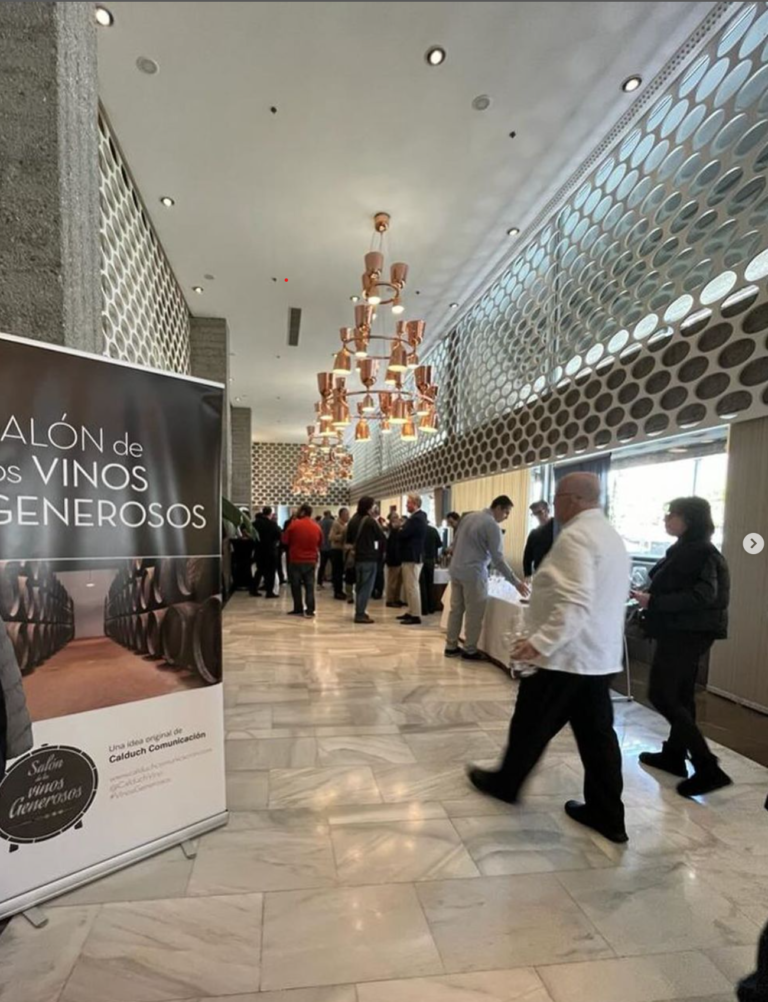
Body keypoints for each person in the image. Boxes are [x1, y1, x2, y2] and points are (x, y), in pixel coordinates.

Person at [467, 473, 630, 844]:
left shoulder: (576, 537)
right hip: (596, 657)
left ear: (571, 499)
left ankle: (506, 783)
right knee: (597, 739)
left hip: (565, 657)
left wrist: (540, 642)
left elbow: (574, 601)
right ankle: (608, 815)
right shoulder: (608, 534)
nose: (553, 505)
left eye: (555, 498)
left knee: (530, 723)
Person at [631, 496, 732, 798]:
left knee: (662, 694)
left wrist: (654, 602)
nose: (666, 519)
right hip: (683, 630)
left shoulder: (701, 552)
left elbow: (703, 596)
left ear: (690, 519)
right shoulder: (687, 550)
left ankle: (707, 767)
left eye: (672, 514)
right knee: (682, 695)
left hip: (688, 632)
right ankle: (674, 755)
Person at [445, 495, 529, 660]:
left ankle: (451, 646)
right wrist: (516, 582)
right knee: (474, 614)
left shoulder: (468, 517)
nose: (507, 517)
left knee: (455, 611)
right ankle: (469, 650)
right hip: (474, 573)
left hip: (456, 570)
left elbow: (454, 543)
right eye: (506, 512)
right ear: (498, 508)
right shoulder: (492, 525)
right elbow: (498, 559)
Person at [345, 496, 386, 624]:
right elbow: (381, 537)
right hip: (369, 557)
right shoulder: (370, 521)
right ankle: (360, 613)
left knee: (359, 586)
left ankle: (360, 610)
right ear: (369, 507)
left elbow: (349, 539)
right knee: (366, 587)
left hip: (357, 557)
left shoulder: (352, 520)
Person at [283, 503, 324, 617]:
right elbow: (320, 543)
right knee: (309, 586)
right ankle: (310, 610)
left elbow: (285, 540)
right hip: (311, 560)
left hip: (296, 559)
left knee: (295, 585)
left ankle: (298, 608)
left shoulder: (294, 525)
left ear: (302, 512)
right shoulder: (316, 526)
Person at [398, 493, 429, 626]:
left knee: (412, 586)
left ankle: (415, 614)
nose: (406, 505)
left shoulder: (416, 518)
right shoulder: (419, 517)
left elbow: (404, 534)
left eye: (409, 502)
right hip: (412, 555)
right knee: (410, 586)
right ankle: (411, 611)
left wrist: (399, 529)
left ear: (415, 503)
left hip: (412, 555)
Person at [252, 507, 281, 597]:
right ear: (270, 513)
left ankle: (253, 589)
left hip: (259, 550)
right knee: (270, 572)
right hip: (270, 550)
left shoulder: (255, 524)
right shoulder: (272, 524)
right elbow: (278, 536)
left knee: (259, 570)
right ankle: (269, 591)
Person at [523, 500, 555, 579]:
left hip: (556, 572)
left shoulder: (556, 527)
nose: (538, 516)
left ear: (547, 511)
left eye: (539, 512)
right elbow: (527, 558)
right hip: (539, 573)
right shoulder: (534, 534)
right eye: (535, 514)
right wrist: (528, 576)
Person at [420, 518, 443, 615]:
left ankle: (424, 608)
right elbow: (439, 544)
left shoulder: (419, 531)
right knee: (430, 583)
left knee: (422, 585)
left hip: (421, 559)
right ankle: (432, 607)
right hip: (431, 559)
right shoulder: (433, 530)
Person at [329, 507, 350, 600]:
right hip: (336, 550)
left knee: (340, 572)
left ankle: (340, 590)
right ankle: (337, 591)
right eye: (346, 514)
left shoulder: (345, 525)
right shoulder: (336, 524)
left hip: (342, 550)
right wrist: (343, 535)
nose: (348, 516)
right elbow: (331, 537)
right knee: (337, 572)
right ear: (341, 515)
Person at [385, 515, 406, 608]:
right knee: (392, 581)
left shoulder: (399, 532)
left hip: (399, 559)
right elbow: (391, 548)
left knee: (398, 582)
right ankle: (390, 599)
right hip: (393, 560)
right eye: (396, 519)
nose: (398, 521)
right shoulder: (392, 533)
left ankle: (396, 598)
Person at [317, 510, 335, 589]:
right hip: (331, 547)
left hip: (323, 547)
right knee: (334, 565)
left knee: (322, 565)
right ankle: (334, 582)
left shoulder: (320, 523)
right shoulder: (333, 522)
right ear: (329, 514)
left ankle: (319, 582)